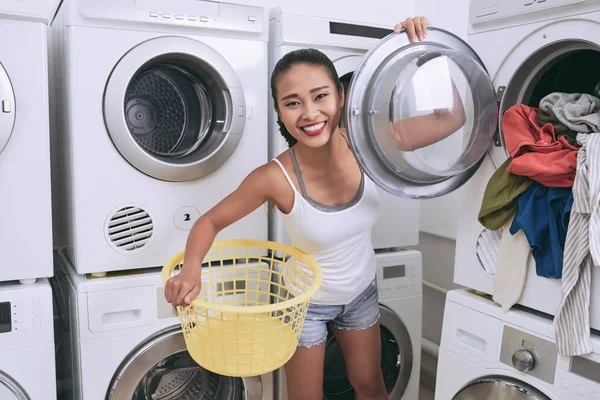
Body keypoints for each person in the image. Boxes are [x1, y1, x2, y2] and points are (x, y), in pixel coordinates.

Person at [165, 16, 460, 400]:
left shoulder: (371, 142)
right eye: (292, 103)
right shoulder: (274, 177)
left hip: (361, 292)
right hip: (305, 305)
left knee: (371, 385)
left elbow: (453, 118)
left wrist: (422, 51)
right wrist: (191, 271)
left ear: (340, 95)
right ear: (280, 111)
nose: (309, 113)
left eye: (320, 96)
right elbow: (209, 221)